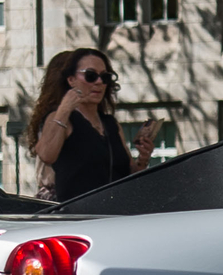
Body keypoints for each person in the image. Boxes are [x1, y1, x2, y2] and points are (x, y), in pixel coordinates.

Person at [27, 48, 158, 201]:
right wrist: (64, 109)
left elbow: (128, 174)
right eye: (90, 76)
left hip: (116, 213)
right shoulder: (62, 119)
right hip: (79, 215)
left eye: (105, 77)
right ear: (71, 80)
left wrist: (143, 159)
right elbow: (46, 155)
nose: (99, 82)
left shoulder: (110, 123)